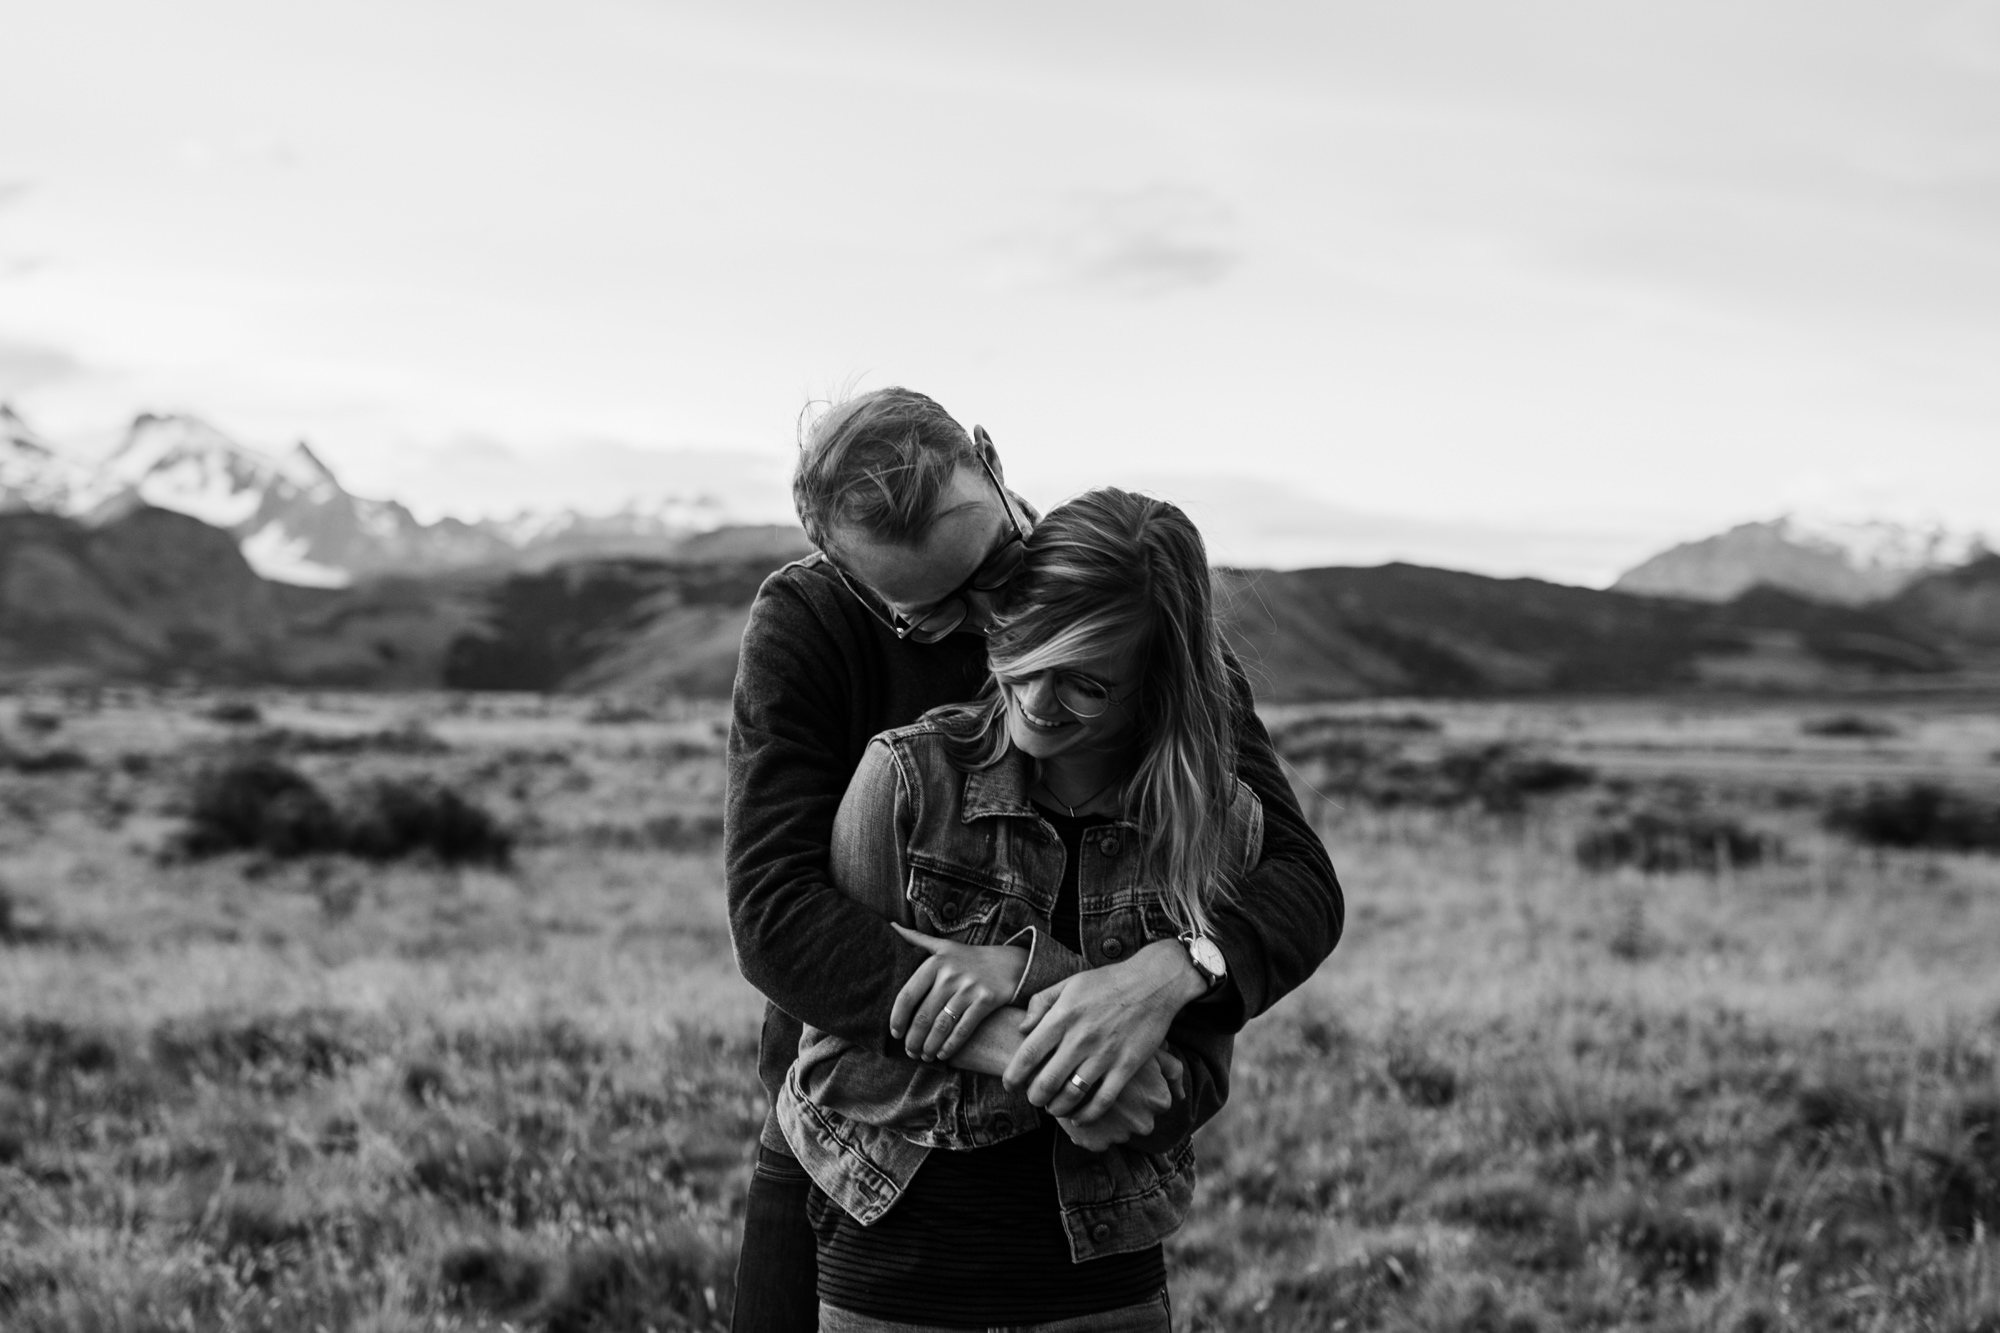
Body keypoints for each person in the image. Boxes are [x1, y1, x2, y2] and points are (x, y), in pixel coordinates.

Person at [725, 388, 1343, 1331]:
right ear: (846, 574)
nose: (987, 618)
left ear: (992, 461)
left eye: (993, 565)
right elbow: (776, 914)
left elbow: (1295, 874)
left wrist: (1170, 972)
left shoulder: (1113, 596)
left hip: (1082, 1186)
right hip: (855, 1130)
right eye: (925, 613)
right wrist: (1049, 1048)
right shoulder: (808, 625)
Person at [784, 486, 1263, 1330]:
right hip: (897, 1266)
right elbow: (832, 1063)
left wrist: (1019, 971)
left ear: (1157, 680)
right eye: (1025, 653)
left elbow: (1195, 1079)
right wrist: (1074, 1043)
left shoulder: (1217, 823)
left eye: (1086, 683)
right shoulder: (904, 782)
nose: (1038, 700)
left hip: (1103, 1280)